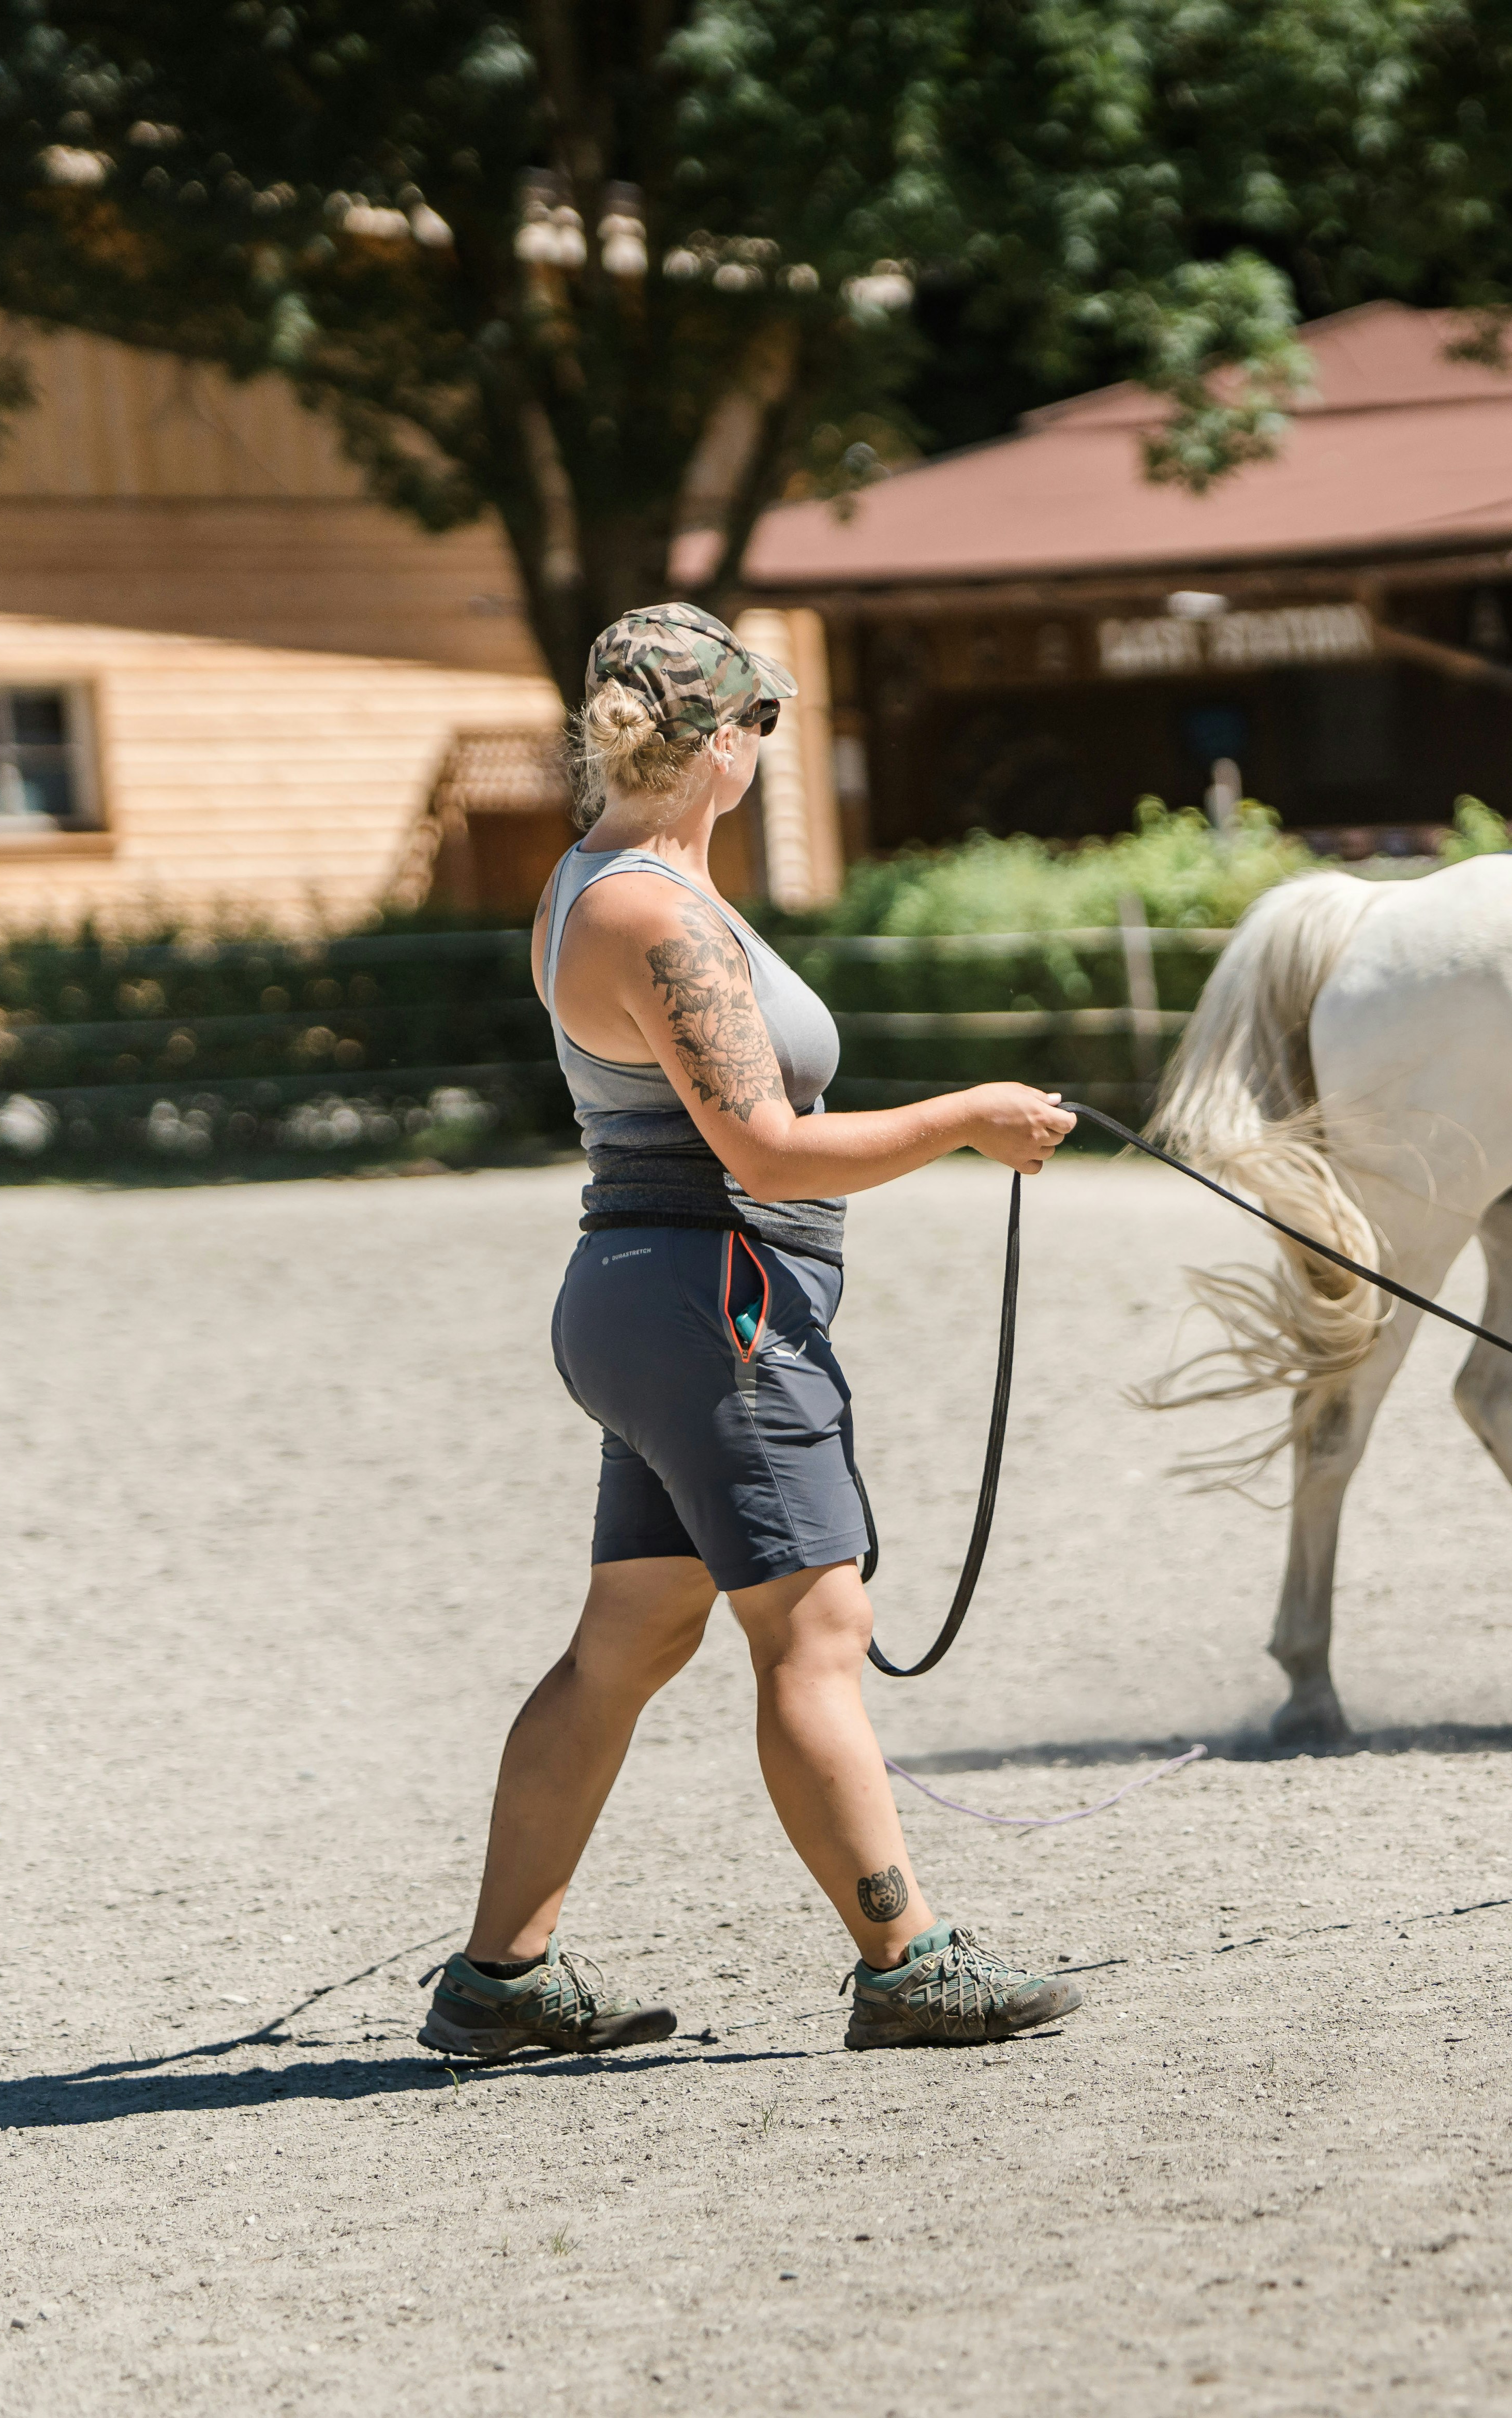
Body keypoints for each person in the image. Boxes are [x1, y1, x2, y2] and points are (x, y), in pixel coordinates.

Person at [419, 603, 1084, 2064]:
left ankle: (498, 1980)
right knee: (816, 1631)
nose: (767, 746)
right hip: (711, 1299)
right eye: (760, 722)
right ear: (720, 741)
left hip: (650, 1297)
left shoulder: (615, 885)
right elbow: (770, 1152)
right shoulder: (653, 916)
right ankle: (906, 1961)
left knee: (632, 1636)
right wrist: (970, 1120)